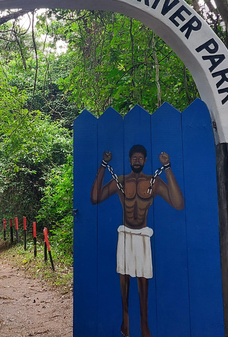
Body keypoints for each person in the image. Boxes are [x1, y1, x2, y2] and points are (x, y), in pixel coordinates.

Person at [90, 144, 184, 337]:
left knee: (143, 280)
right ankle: (125, 319)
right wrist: (103, 165)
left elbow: (178, 203)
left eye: (141, 158)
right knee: (123, 276)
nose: (137, 160)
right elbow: (95, 198)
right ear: (129, 159)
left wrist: (167, 167)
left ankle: (144, 323)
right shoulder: (121, 182)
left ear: (146, 160)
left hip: (142, 235)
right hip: (125, 233)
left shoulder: (153, 182)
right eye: (134, 157)